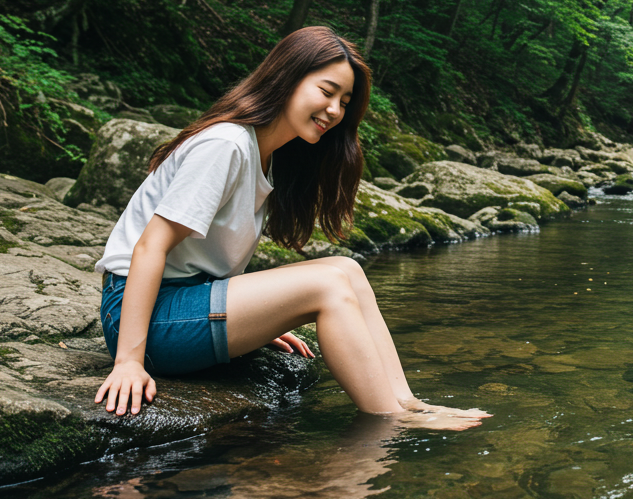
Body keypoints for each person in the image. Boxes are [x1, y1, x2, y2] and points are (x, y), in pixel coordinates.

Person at [93, 26, 488, 431]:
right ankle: (390, 421)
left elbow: (208, 261)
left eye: (344, 102)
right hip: (143, 315)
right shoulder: (226, 144)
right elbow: (150, 247)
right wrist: (129, 362)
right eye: (326, 91)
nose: (335, 110)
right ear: (286, 79)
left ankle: (406, 401)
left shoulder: (265, 156)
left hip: (184, 303)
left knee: (346, 269)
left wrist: (254, 320)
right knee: (326, 286)